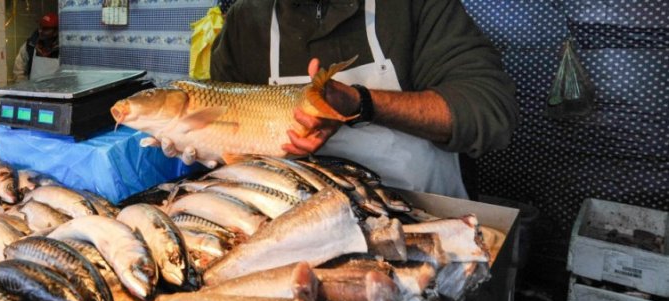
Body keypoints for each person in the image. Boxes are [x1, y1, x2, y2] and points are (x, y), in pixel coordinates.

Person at [184, 0, 517, 198]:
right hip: (292, 221)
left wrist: (361, 103)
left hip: (419, 216)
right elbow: (228, 137)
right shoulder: (246, 20)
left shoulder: (413, 7)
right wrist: (195, 137)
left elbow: (489, 111)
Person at [12, 12, 60, 83]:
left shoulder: (64, 49)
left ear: (55, 32)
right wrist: (26, 88)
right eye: (40, 27)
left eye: (46, 29)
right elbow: (18, 71)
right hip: (33, 92)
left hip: (57, 92)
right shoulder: (30, 46)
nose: (40, 31)